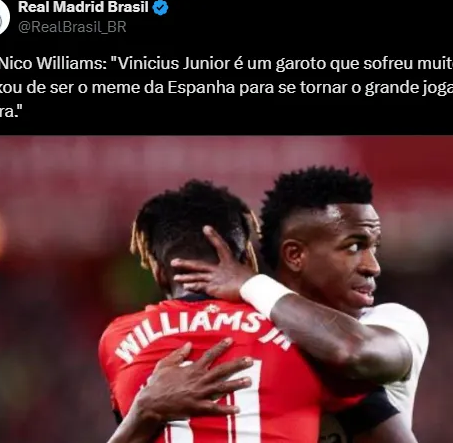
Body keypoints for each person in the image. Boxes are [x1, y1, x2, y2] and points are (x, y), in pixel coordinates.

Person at [99, 180, 387, 443]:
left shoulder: (120, 339)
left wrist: (142, 413)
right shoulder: (306, 334)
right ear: (245, 260)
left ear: (160, 274)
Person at [171, 167, 429, 436]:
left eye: (374, 247)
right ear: (295, 255)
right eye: (354, 247)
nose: (373, 266)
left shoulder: (396, 322)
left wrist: (250, 283)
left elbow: (351, 350)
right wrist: (146, 409)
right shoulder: (246, 333)